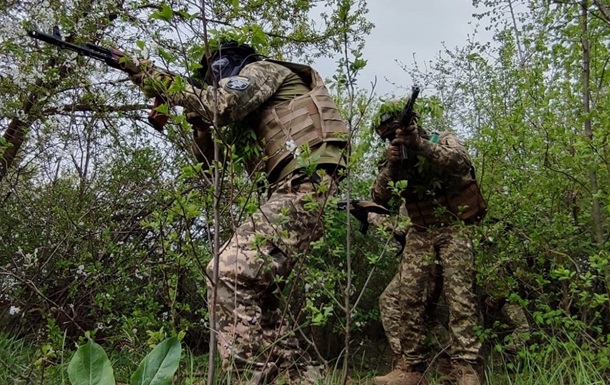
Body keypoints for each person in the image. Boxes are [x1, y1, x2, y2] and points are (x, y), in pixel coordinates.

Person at [127, 41, 349, 384]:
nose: (213, 79)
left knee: (226, 273)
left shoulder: (263, 70)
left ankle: (250, 378)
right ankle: (303, 377)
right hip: (294, 189)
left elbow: (223, 104)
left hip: (306, 185)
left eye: (214, 71)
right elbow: (207, 165)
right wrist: (200, 123)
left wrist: (155, 77)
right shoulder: (251, 103)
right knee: (261, 294)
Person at [369, 100, 487, 385]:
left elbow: (460, 162)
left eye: (394, 131)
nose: (391, 138)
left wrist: (419, 144)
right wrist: (393, 164)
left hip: (454, 227)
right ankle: (410, 368)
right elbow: (379, 195)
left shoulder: (441, 139)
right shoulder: (394, 156)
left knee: (460, 297)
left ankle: (466, 368)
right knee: (407, 299)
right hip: (419, 232)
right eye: (387, 135)